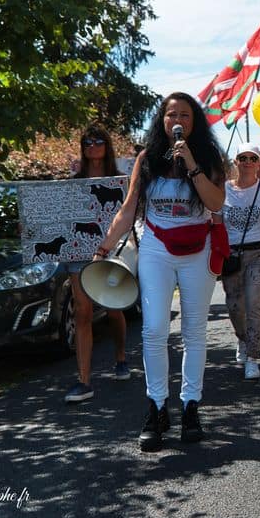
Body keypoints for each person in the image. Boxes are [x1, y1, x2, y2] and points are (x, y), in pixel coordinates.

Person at [93, 93, 226, 451]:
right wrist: (104, 247)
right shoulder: (146, 159)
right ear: (162, 121)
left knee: (194, 330)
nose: (177, 120)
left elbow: (215, 203)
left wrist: (193, 165)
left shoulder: (210, 158)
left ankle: (191, 406)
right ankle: (156, 406)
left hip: (198, 249)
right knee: (153, 328)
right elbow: (128, 208)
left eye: (184, 114)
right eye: (171, 115)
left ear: (194, 121)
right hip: (155, 248)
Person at [64, 126, 130, 404]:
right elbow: (61, 217)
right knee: (82, 312)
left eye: (98, 141)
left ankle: (121, 357)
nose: (92, 146)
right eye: (87, 142)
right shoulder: (73, 181)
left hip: (111, 250)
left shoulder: (119, 181)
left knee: (113, 308)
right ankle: (84, 381)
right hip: (78, 252)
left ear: (107, 146)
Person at [221, 141, 260, 381]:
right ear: (236, 161)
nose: (248, 162)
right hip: (232, 255)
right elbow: (215, 221)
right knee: (235, 306)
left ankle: (253, 357)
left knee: (254, 303)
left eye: (253, 158)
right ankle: (243, 340)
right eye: (243, 158)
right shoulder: (224, 189)